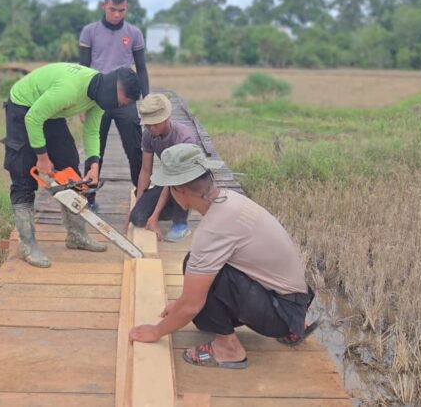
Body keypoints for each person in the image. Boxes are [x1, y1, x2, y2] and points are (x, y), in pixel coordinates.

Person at [129, 144, 317, 369]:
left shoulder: (213, 230)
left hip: (280, 314)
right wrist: (180, 303)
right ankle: (295, 328)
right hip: (293, 304)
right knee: (203, 268)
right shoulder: (230, 200)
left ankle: (228, 349)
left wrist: (156, 331)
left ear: (179, 190)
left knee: (197, 266)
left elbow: (192, 305)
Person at [3, 62, 141, 268]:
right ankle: (27, 244)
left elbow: (92, 132)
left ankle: (76, 234)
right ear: (113, 90)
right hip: (25, 108)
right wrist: (42, 157)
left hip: (53, 113)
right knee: (23, 176)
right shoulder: (69, 89)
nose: (119, 108)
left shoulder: (99, 98)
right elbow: (33, 118)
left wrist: (94, 164)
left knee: (71, 171)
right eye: (121, 103)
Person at [79, 0, 149, 213]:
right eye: (113, 9)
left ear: (127, 8)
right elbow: (83, 68)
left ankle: (141, 198)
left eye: (122, 10)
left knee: (135, 150)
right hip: (96, 98)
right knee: (94, 150)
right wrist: (79, 103)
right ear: (104, 5)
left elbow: (141, 69)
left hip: (125, 100)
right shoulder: (89, 32)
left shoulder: (134, 34)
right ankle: (88, 199)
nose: (117, 14)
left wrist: (147, 101)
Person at [129, 93, 196, 241]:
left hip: (186, 182)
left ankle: (181, 223)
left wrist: (154, 216)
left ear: (166, 118)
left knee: (179, 185)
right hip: (167, 180)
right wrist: (138, 204)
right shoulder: (148, 135)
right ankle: (171, 208)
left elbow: (174, 178)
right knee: (137, 218)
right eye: (148, 124)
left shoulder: (183, 137)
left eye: (156, 123)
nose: (151, 127)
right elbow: (146, 171)